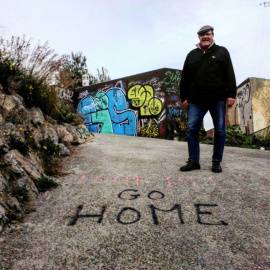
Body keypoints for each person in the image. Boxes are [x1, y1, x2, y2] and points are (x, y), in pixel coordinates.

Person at [179, 25, 236, 173]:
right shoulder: (192, 55)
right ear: (198, 37)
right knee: (192, 129)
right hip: (196, 100)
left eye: (208, 34)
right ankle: (193, 161)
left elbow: (229, 73)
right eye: (202, 34)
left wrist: (231, 94)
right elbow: (185, 78)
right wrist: (184, 97)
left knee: (220, 130)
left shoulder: (222, 52)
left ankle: (216, 161)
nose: (205, 37)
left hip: (217, 98)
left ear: (212, 35)